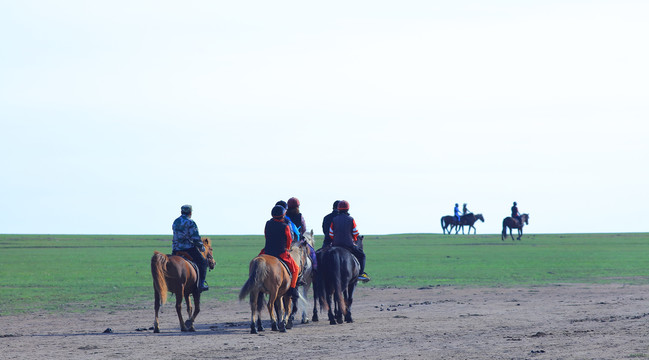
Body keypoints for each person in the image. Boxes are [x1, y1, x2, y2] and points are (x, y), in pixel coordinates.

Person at [260, 205, 300, 300]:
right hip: (281, 252)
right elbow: (289, 241)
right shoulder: (285, 226)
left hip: (267, 251)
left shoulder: (268, 224)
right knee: (295, 269)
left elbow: (266, 235)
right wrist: (287, 248)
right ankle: (292, 289)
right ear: (283, 215)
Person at [329, 200, 370, 282]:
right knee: (362, 255)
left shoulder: (334, 219)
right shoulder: (351, 219)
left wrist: (335, 240)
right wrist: (354, 241)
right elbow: (355, 232)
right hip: (348, 245)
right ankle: (361, 274)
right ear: (348, 209)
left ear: (338, 209)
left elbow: (331, 233)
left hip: (336, 245)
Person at [172, 205, 209, 292]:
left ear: (181, 212)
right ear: (190, 212)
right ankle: (201, 284)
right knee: (203, 263)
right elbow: (195, 238)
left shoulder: (175, 221)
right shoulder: (190, 222)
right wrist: (202, 247)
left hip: (176, 249)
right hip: (188, 248)